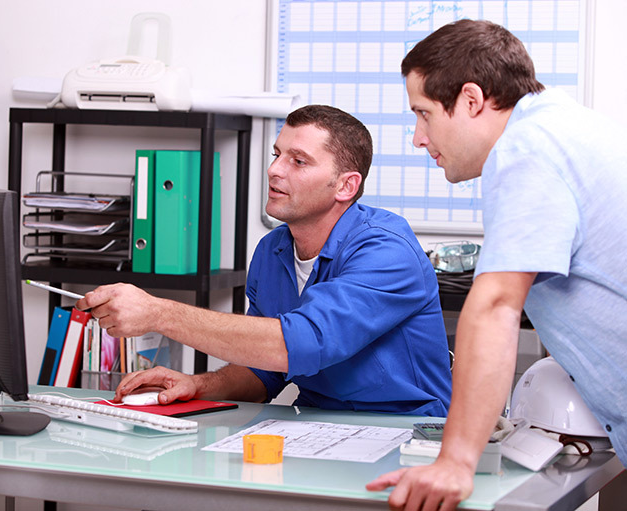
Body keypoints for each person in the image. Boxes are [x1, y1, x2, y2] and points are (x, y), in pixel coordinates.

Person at [366, 19, 627, 510]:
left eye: (423, 114)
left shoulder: (526, 148)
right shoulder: (563, 127)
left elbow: (495, 307)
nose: (418, 138)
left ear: (470, 99)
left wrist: (456, 461)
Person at [76, 104, 452, 416]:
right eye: (276, 155)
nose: (274, 170)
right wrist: (198, 385)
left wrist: (160, 314)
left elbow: (302, 343)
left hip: (408, 432)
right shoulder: (273, 250)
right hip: (320, 429)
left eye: (299, 161)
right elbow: (265, 370)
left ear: (345, 186)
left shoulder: (387, 252)